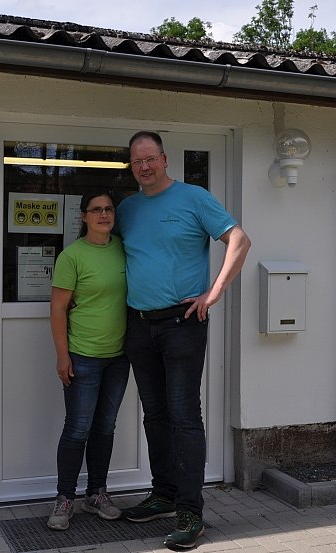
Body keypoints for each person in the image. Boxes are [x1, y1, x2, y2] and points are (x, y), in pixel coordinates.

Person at [115, 131, 251, 550]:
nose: (144, 167)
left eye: (150, 159)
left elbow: (239, 240)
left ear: (164, 159)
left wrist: (214, 292)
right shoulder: (127, 209)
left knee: (184, 416)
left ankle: (191, 512)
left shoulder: (194, 198)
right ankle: (164, 494)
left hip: (182, 323)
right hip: (139, 324)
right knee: (154, 415)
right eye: (137, 161)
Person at [47, 191, 129, 531]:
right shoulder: (72, 256)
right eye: (96, 210)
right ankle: (64, 498)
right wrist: (62, 355)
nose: (103, 215)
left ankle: (96, 493)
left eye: (108, 209)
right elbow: (57, 309)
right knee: (77, 428)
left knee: (105, 427)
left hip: (118, 357)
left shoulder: (123, 248)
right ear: (83, 216)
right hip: (83, 356)